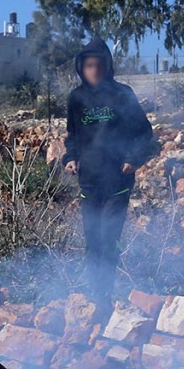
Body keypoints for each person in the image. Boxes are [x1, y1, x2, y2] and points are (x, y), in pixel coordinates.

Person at [62, 38, 158, 310]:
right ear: (81, 68)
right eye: (89, 65)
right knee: (92, 239)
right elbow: (73, 136)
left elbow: (144, 132)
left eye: (99, 65)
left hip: (117, 180)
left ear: (107, 66)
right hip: (89, 180)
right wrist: (70, 158)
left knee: (109, 238)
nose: (94, 70)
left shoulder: (122, 94)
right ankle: (97, 295)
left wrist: (134, 159)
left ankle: (110, 290)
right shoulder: (76, 98)